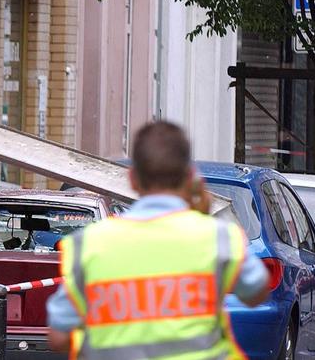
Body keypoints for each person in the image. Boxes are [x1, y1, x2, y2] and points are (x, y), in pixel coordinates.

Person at [46, 121, 270, 359]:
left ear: (132, 179)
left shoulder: (89, 244)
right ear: (189, 177)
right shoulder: (216, 237)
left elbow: (59, 337)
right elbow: (256, 291)